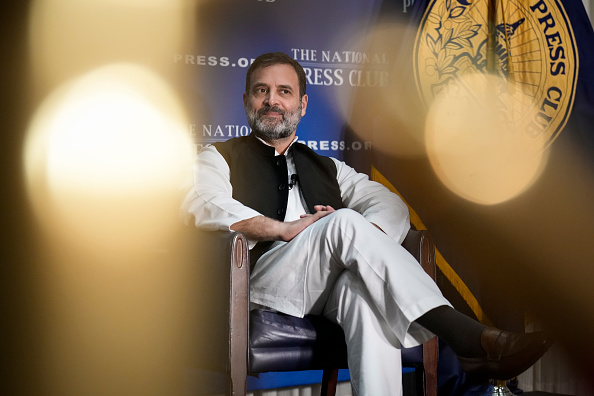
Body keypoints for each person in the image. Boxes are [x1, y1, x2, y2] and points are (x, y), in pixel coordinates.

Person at [181, 52, 551, 395]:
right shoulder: (219, 157)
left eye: (284, 91)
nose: (272, 101)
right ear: (247, 100)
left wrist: (363, 242)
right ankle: (466, 336)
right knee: (343, 222)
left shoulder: (329, 168)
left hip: (322, 286)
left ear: (302, 104)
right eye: (262, 91)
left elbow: (389, 206)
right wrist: (282, 229)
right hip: (258, 282)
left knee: (365, 297)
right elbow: (202, 204)